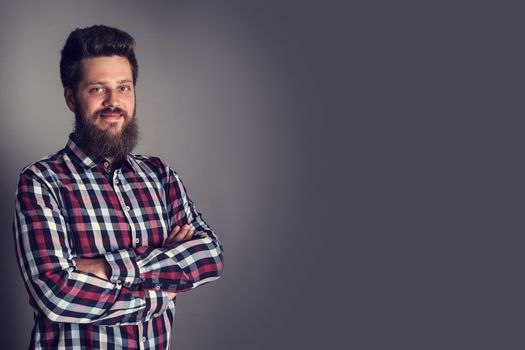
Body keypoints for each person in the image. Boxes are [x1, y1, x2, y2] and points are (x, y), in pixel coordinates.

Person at [13, 25, 224, 349]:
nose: (114, 102)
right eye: (98, 89)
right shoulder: (43, 182)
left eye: (124, 87)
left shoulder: (160, 175)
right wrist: (159, 288)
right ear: (71, 98)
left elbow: (209, 255)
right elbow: (56, 293)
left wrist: (104, 267)